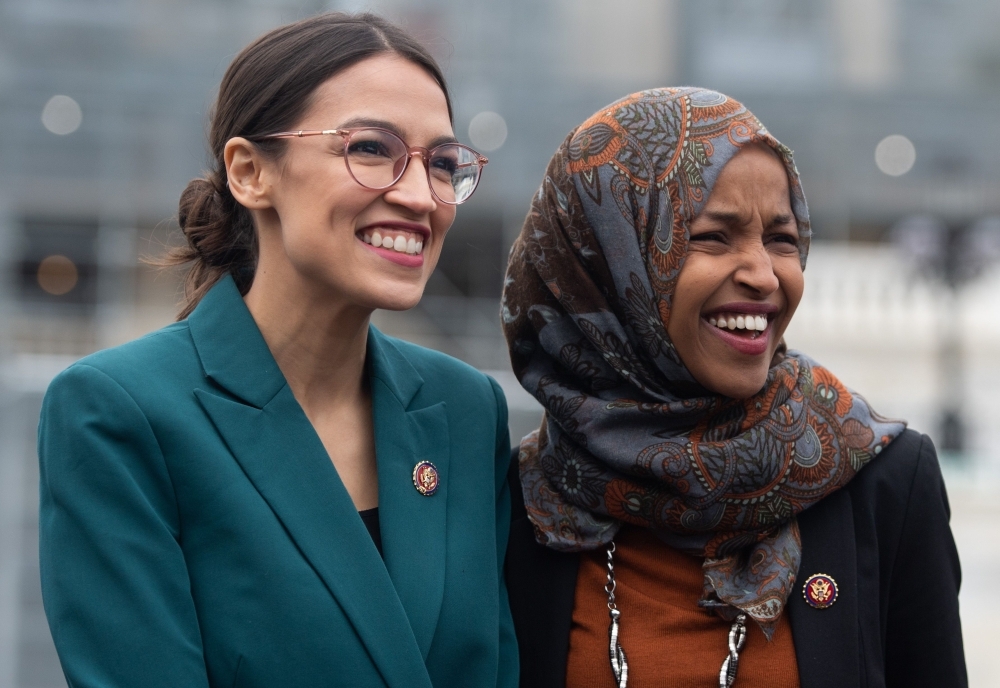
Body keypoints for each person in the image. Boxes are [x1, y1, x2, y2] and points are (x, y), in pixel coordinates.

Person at [38, 13, 517, 688]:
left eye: (442, 163)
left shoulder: (466, 410)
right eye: (373, 149)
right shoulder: (120, 413)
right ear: (250, 172)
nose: (420, 196)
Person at [501, 88, 965, 687]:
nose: (763, 274)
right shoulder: (524, 503)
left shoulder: (884, 484)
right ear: (605, 264)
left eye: (782, 238)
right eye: (713, 237)